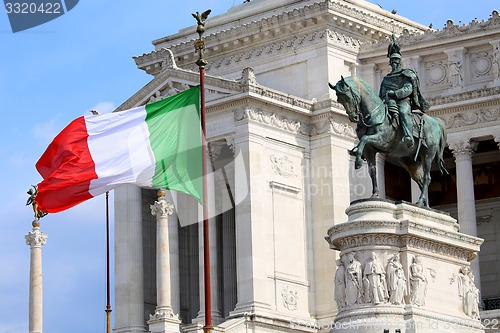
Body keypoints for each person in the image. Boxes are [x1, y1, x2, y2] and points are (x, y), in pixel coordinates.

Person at [379, 34, 430, 148]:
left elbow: (408, 89)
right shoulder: (386, 78)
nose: (394, 63)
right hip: (389, 102)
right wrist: (384, 98)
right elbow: (381, 94)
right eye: (392, 61)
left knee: (403, 112)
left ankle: (408, 136)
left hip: (403, 101)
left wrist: (395, 93)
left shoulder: (406, 74)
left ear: (400, 61)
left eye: (396, 60)